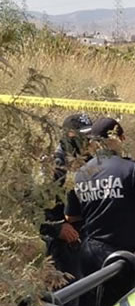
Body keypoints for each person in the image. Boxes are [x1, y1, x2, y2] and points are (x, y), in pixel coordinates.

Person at [65, 117, 135, 306]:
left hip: (89, 254)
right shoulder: (131, 169)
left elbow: (71, 218)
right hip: (121, 256)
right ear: (120, 138)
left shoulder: (79, 174)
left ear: (93, 142)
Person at [39, 114, 93, 295]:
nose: (86, 140)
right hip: (60, 242)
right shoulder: (55, 164)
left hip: (82, 237)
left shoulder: (85, 160)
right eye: (82, 135)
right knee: (67, 296)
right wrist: (57, 228)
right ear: (68, 135)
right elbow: (36, 209)